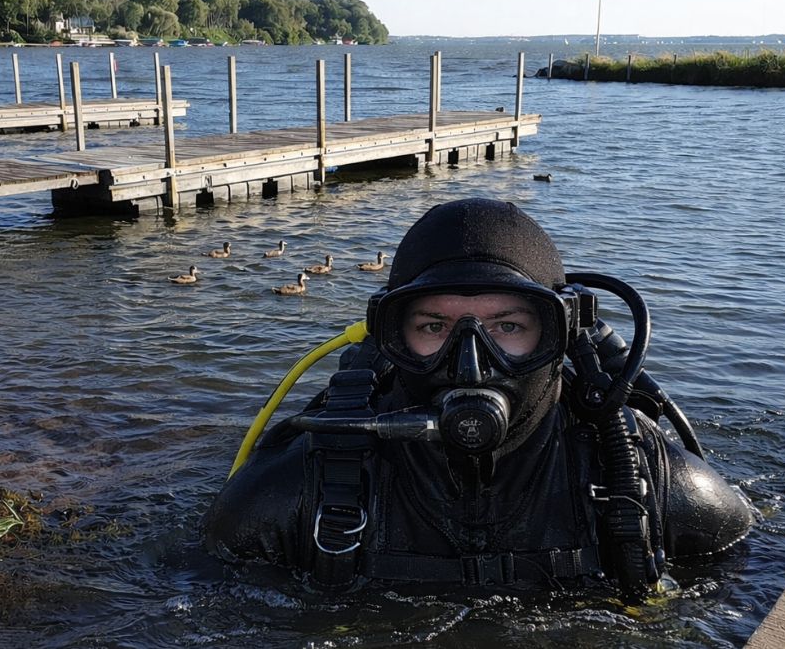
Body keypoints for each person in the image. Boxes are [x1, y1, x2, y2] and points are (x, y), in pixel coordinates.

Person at [204, 198, 752, 594]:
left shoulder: (661, 488)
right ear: (393, 338)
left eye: (509, 327)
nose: (471, 362)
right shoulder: (287, 495)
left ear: (559, 335)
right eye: (434, 326)